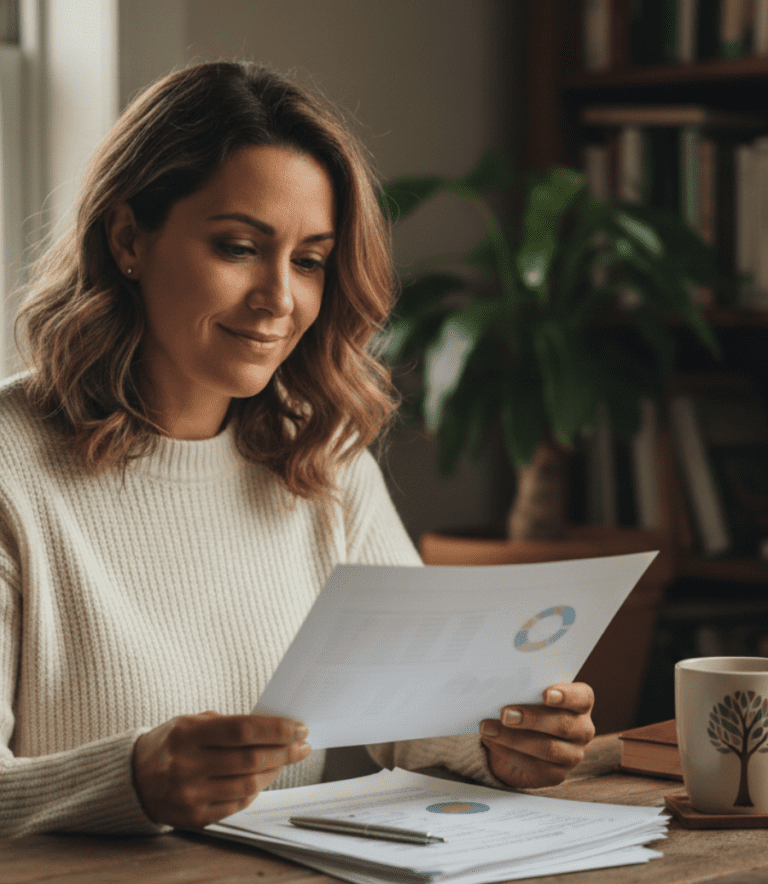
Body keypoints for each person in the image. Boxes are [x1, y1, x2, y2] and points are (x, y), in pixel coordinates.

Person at [0, 61, 594, 838]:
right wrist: (135, 780)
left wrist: (504, 742)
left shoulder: (319, 450)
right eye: (240, 247)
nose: (280, 298)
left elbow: (412, 705)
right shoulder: (13, 470)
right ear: (127, 239)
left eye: (310, 260)